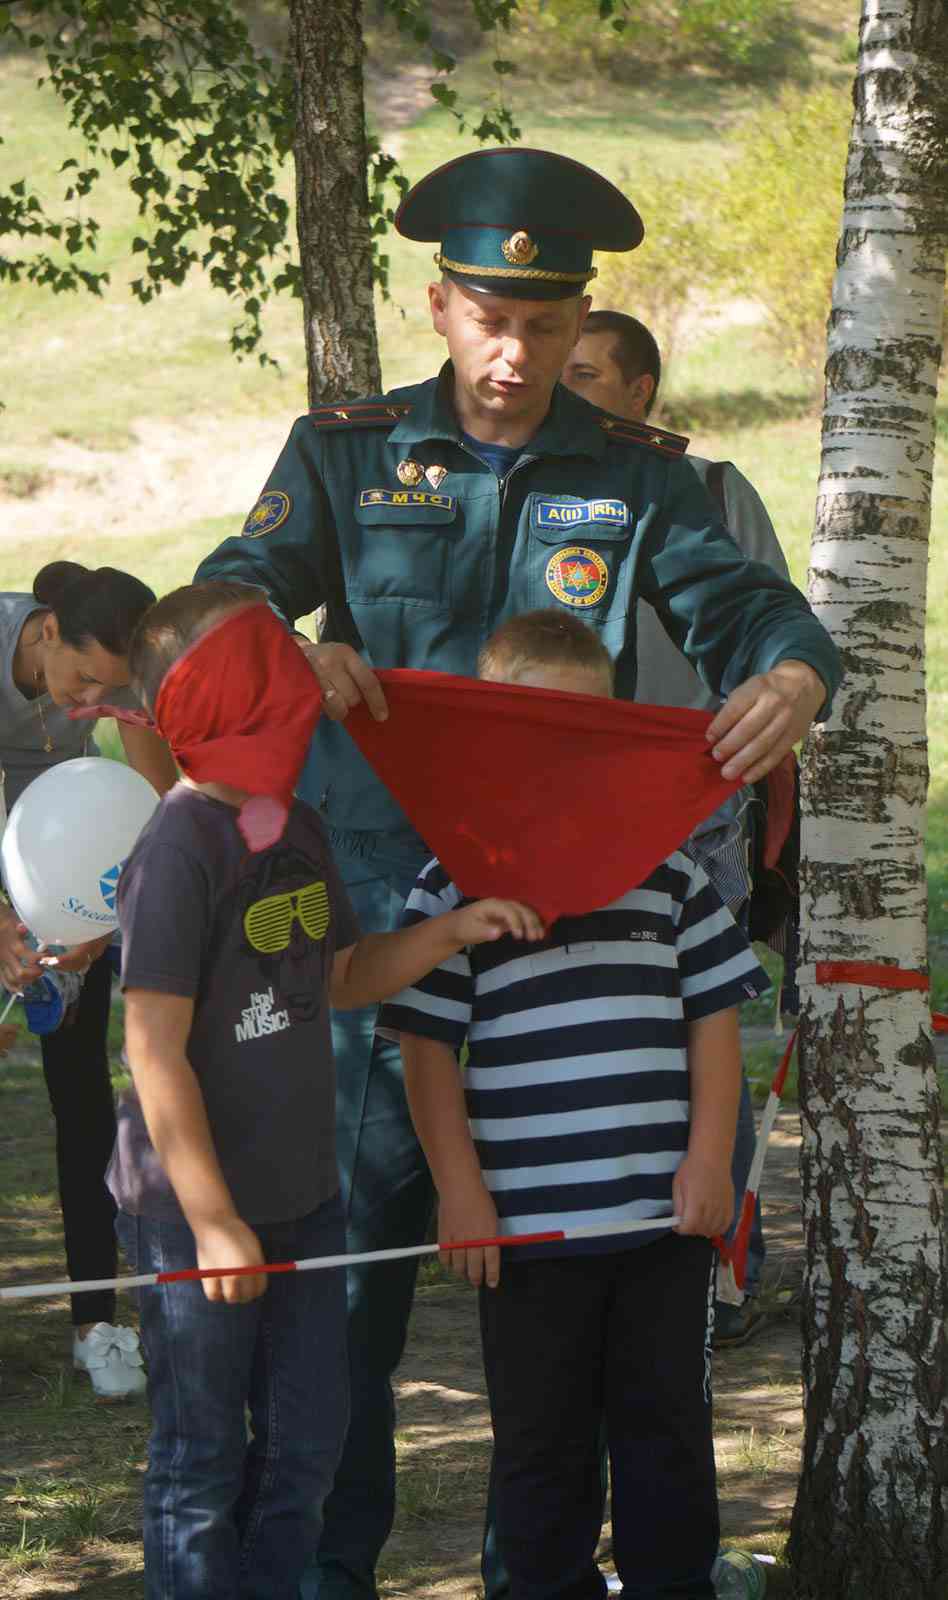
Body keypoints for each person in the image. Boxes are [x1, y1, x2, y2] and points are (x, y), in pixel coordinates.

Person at [194, 146, 842, 1600]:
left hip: (578, 949)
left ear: (579, 323)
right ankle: (327, 1573)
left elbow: (762, 616)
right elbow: (229, 592)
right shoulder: (344, 455)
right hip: (384, 937)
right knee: (348, 1295)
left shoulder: (636, 477)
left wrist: (794, 680)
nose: (516, 354)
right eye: (491, 319)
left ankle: (535, 1575)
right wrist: (282, 647)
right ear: (440, 306)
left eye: (547, 326)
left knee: (571, 1315)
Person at [108, 581, 543, 1600]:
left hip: (306, 1201)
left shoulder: (295, 824)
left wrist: (448, 931)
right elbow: (153, 1051)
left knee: (307, 1442)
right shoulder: (176, 849)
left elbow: (344, 974)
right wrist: (213, 1221)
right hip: (192, 1217)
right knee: (202, 1455)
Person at [381, 608, 771, 1600]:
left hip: (662, 1229)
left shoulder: (669, 871)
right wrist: (460, 1192)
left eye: (580, 730)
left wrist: (711, 1160)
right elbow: (426, 1047)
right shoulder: (452, 885)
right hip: (524, 1238)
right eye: (531, 731)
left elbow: (714, 1019)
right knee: (541, 1445)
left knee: (667, 1434)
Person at [562, 309, 779, 1345]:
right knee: (585, 1028)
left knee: (704, 1027)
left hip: (695, 815)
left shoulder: (716, 493)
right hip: (567, 808)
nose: (563, 388)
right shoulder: (537, 493)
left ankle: (725, 1267)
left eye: (586, 374)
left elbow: (767, 644)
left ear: (640, 391)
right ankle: (597, 1245)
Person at [0, 560, 177, 1398]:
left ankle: (95, 1324)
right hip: (17, 868)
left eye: (107, 689)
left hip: (71, 874)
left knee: (82, 1105)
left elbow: (161, 805)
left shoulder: (115, 677)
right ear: (46, 632)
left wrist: (102, 926)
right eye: (81, 680)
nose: (89, 702)